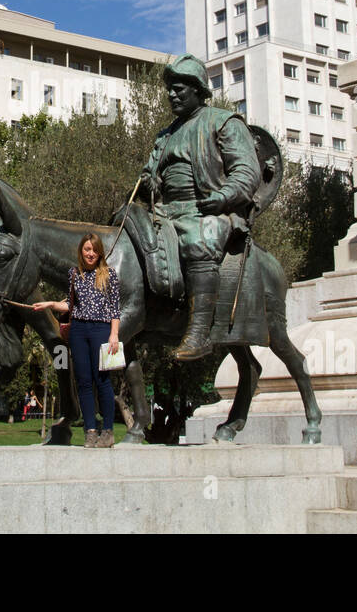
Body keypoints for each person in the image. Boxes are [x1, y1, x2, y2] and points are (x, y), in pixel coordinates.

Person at [139, 54, 261, 362]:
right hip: (165, 211)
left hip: (208, 211)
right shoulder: (164, 136)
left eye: (179, 88)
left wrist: (223, 196)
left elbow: (247, 172)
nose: (172, 95)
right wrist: (148, 182)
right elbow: (148, 171)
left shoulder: (223, 121)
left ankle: (199, 334)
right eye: (169, 89)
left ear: (198, 90)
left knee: (197, 239)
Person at [34, 234, 121, 447]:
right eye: (87, 249)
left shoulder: (109, 275)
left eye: (94, 250)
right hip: (79, 330)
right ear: (81, 251)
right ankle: (90, 430)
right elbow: (71, 306)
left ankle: (108, 431)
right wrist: (50, 304)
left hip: (101, 329)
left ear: (99, 252)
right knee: (82, 381)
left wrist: (114, 334)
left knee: (102, 381)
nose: (90, 254)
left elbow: (115, 308)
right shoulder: (74, 274)